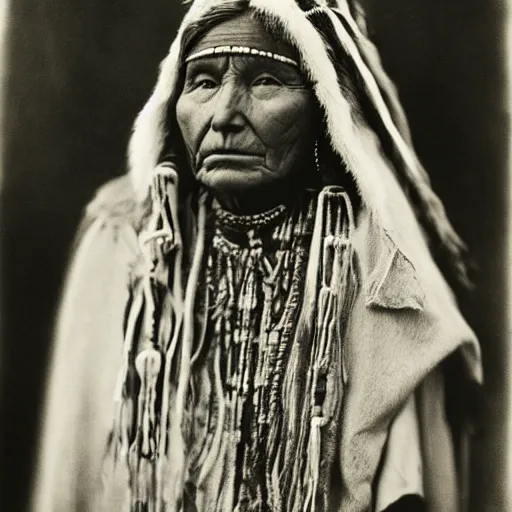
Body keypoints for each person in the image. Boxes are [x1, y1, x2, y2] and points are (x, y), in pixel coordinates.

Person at [31, 1, 483, 511]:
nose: (224, 116)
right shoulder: (127, 246)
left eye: (266, 81)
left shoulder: (378, 273)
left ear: (324, 111)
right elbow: (72, 475)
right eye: (201, 82)